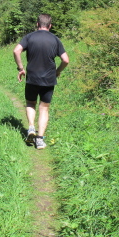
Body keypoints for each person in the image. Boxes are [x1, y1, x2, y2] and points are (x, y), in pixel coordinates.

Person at [13, 14, 69, 150]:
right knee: (44, 108)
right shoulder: (55, 39)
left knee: (30, 103)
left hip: (32, 77)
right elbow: (66, 60)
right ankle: (39, 139)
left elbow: (16, 50)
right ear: (50, 26)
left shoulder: (29, 37)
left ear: (37, 24)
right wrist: (57, 71)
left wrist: (21, 69)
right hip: (49, 79)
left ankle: (31, 127)